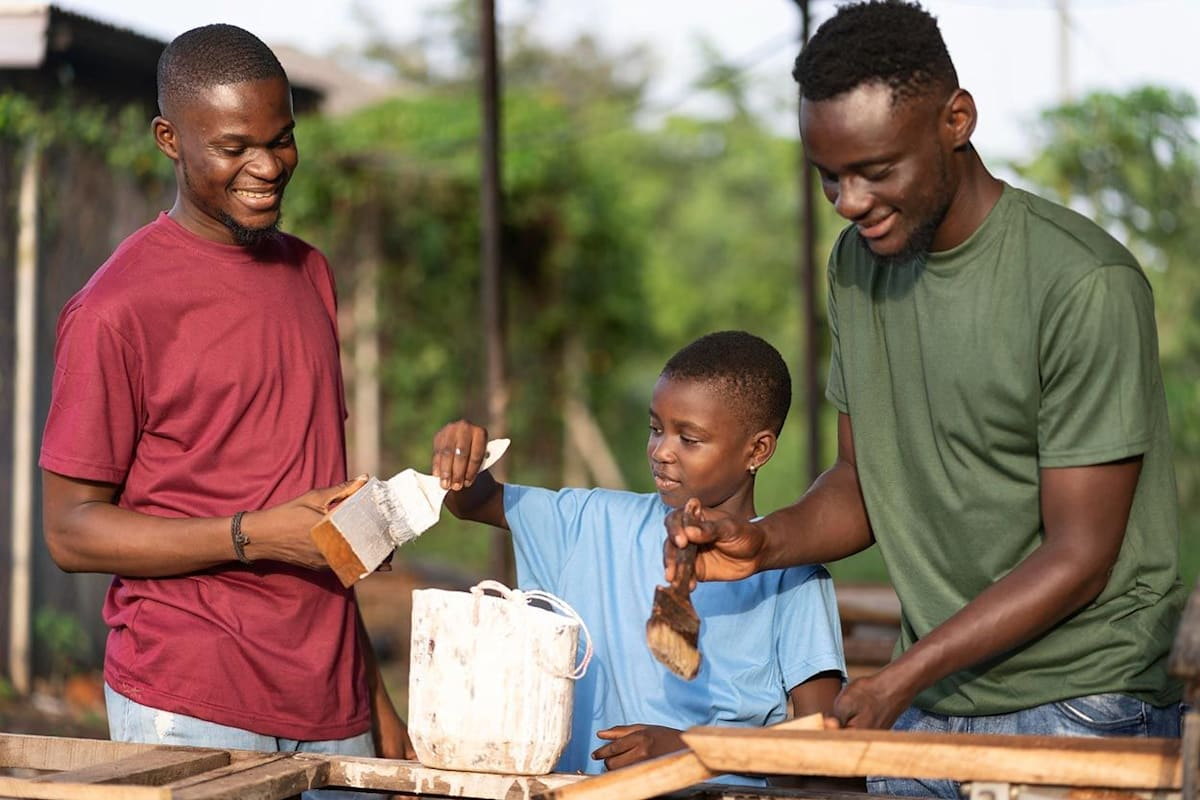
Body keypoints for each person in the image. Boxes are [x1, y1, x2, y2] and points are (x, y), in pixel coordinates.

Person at [666, 2, 1184, 796]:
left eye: (876, 171)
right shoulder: (856, 266)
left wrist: (902, 674)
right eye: (829, 175)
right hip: (929, 696)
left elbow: (1080, 556)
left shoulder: (1082, 284)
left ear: (956, 119)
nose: (847, 201)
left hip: (1077, 706)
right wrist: (763, 543)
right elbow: (861, 482)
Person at [39, 24, 415, 768]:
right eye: (235, 147)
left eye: (282, 140)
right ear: (169, 139)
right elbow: (70, 531)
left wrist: (377, 704)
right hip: (189, 696)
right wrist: (251, 535)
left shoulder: (311, 273)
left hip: (330, 696)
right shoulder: (116, 308)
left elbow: (306, 508)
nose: (267, 166)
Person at [433, 331, 847, 784]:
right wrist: (461, 455)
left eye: (689, 439)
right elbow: (473, 502)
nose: (661, 451)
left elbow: (826, 745)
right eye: (655, 428)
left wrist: (693, 751)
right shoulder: (592, 523)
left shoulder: (792, 575)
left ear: (757, 450)